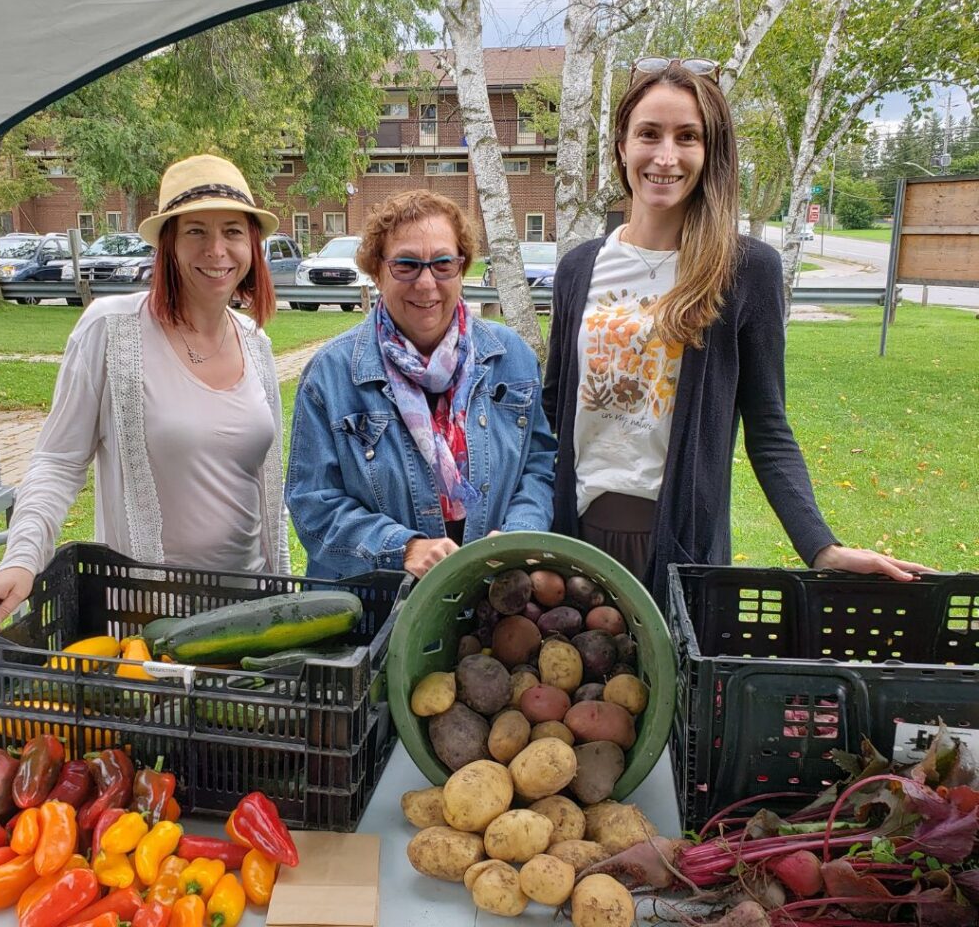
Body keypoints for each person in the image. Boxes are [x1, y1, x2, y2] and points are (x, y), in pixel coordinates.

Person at [543, 57, 928, 608]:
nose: (666, 156)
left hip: (682, 548)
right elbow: (552, 411)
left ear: (711, 152)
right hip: (572, 540)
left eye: (688, 137)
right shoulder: (580, 268)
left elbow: (768, 425)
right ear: (622, 147)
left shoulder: (746, 269)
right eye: (649, 133)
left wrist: (820, 546)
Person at [0, 154, 290, 628]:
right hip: (145, 618)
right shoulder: (111, 331)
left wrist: (279, 592)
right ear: (169, 245)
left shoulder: (256, 344)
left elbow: (268, 492)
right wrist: (21, 560)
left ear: (252, 244)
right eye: (196, 231)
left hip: (246, 614)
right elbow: (57, 464)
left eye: (233, 231)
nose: (216, 250)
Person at [286, 189, 555, 579]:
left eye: (443, 264)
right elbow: (312, 503)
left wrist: (516, 537)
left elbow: (539, 466)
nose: (427, 283)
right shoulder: (330, 376)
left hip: (492, 599)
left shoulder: (511, 358)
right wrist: (403, 548)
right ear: (377, 270)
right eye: (406, 265)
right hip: (376, 607)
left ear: (462, 269)